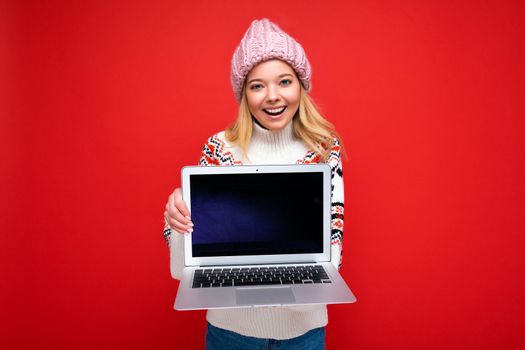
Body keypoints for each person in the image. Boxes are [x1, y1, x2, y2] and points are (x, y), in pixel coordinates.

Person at [163, 18, 345, 349]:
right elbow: (182, 270)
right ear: (244, 94)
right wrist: (175, 220)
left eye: (284, 81)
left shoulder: (323, 151)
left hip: (302, 335)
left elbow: (330, 260)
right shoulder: (219, 148)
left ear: (301, 85)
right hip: (228, 333)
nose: (272, 97)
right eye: (257, 85)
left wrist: (264, 285)